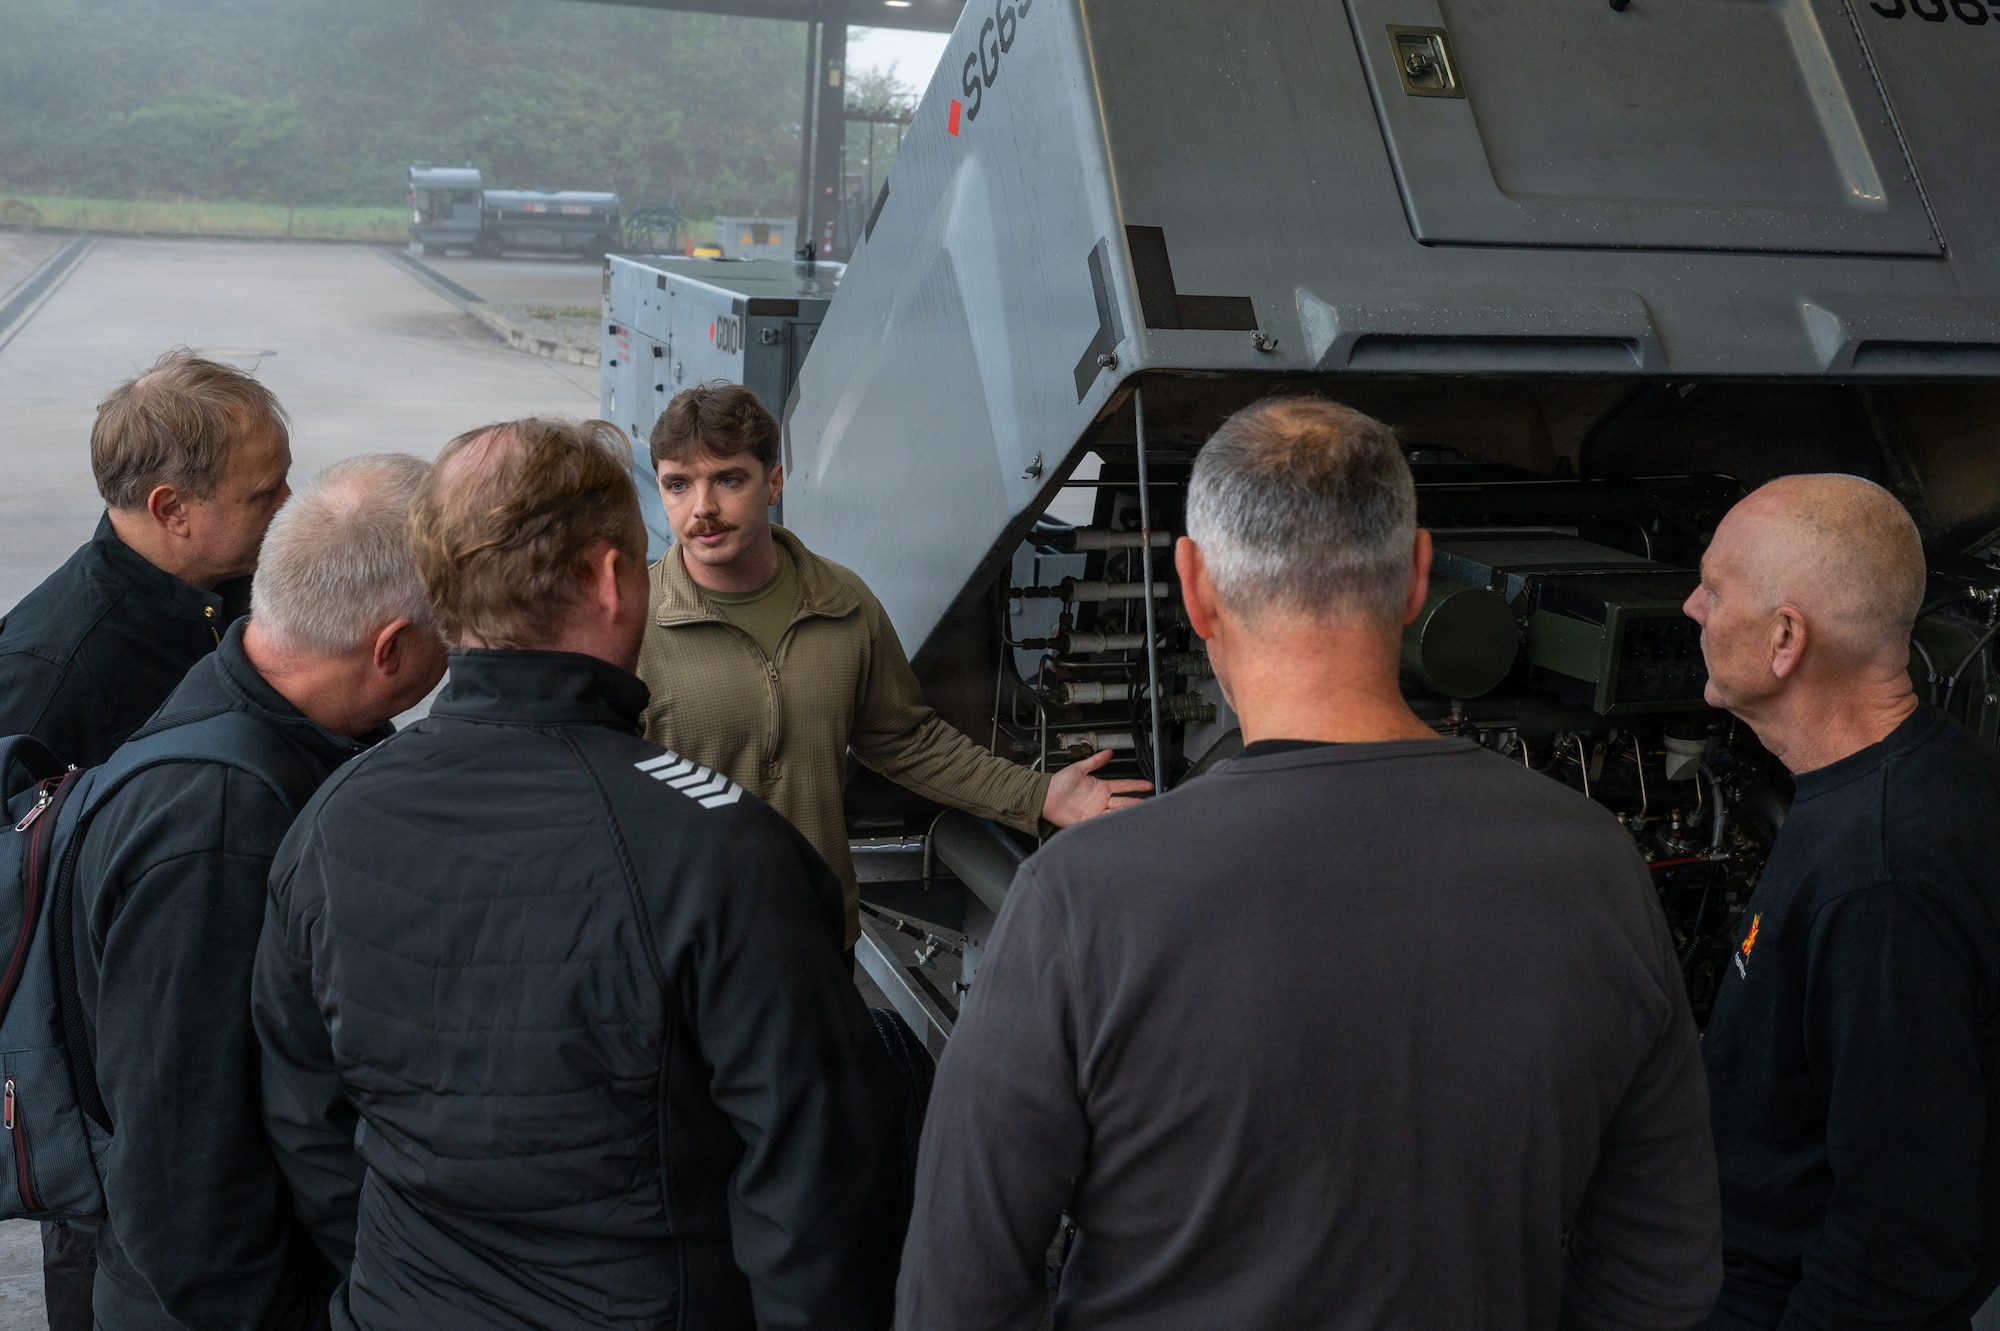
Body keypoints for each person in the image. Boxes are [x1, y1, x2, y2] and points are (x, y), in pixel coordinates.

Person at [898, 398, 1722, 1330]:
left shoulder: (1082, 900)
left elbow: (957, 1296)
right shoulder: (1600, 867)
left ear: (1194, 586)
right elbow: (1663, 1271)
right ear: (1418, 577)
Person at [253, 417, 907, 1329]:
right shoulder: (723, 850)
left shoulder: (329, 820)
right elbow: (820, 1190)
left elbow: (309, 1126)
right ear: (611, 581)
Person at [72, 456, 445, 1330]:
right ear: (389, 648)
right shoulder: (222, 823)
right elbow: (178, 1171)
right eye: (449, 636)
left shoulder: (247, 696)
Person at [637, 383, 1146, 951]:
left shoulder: (841, 603)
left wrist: (1039, 796)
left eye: (728, 479)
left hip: (815, 937)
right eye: (677, 485)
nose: (702, 506)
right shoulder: (634, 621)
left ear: (774, 482)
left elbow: (908, 742)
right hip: (681, 947)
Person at [0, 348, 292, 1330]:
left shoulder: (228, 593)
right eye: (264, 492)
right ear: (172, 507)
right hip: (115, 1108)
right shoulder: (56, 667)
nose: (286, 505)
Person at [1685, 475, 2000, 1330]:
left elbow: (1897, 1242)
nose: (1690, 606)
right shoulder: (1939, 771)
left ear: (1786, 637)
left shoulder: (1880, 881)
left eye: (1713, 589)